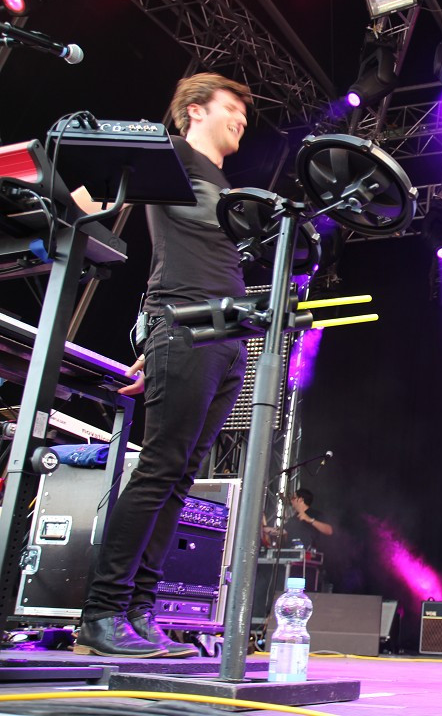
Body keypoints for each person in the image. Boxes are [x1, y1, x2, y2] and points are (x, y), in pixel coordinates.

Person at [73, 73, 252, 658]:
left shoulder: (222, 181)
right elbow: (86, 196)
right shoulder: (169, 154)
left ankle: (139, 612)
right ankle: (102, 613)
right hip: (185, 322)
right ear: (195, 110)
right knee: (160, 468)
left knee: (179, 476)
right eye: (232, 108)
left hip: (224, 334)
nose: (242, 119)